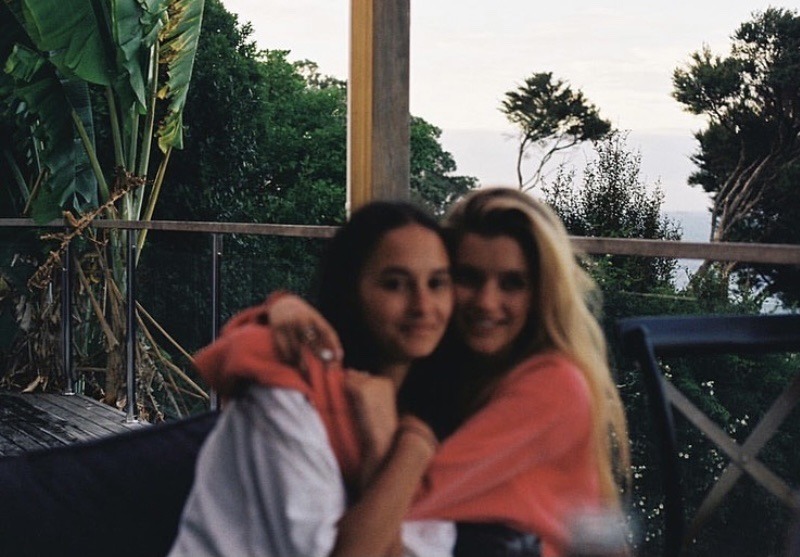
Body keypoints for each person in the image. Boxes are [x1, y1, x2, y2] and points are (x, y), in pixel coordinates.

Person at [201, 187, 632, 556]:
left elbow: (400, 505)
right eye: (467, 278)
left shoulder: (552, 385)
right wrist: (285, 308)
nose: (486, 302)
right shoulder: (446, 366)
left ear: (542, 294)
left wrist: (389, 439)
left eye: (512, 283)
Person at [168, 201, 457, 557]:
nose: (423, 306)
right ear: (350, 289)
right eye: (394, 284)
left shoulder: (432, 402)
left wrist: (385, 450)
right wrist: (411, 450)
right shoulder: (284, 391)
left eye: (437, 283)